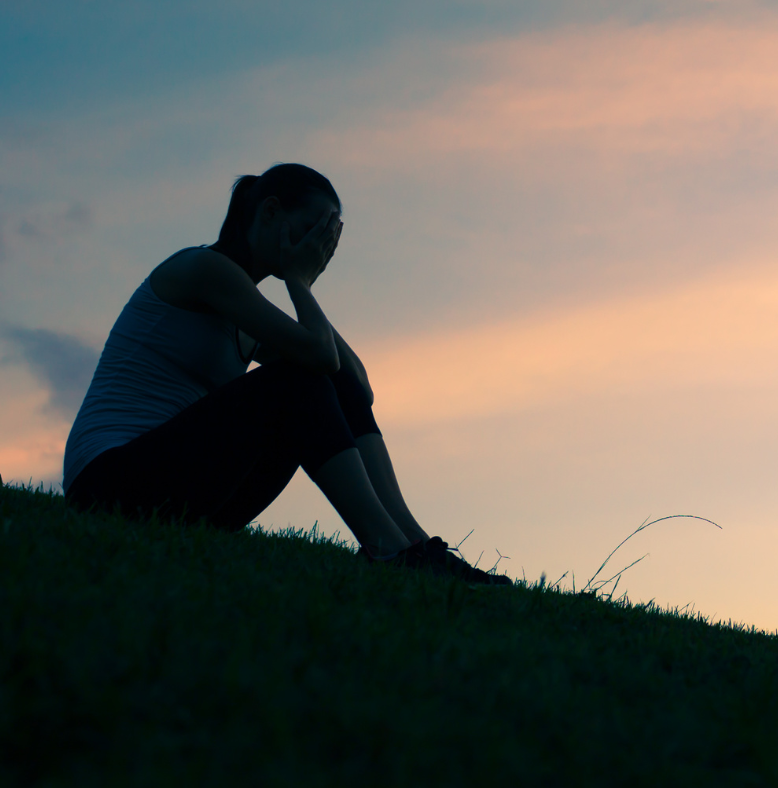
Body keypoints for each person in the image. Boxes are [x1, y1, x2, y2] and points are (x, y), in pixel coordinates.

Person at [62, 163, 508, 585]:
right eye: (312, 228)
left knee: (315, 375)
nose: (318, 245)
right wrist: (299, 282)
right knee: (300, 378)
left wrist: (303, 288)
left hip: (179, 495)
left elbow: (355, 387)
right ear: (271, 211)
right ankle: (388, 551)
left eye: (327, 236)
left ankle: (412, 545)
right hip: (107, 485)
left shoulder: (246, 312)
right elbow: (316, 360)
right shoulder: (204, 269)